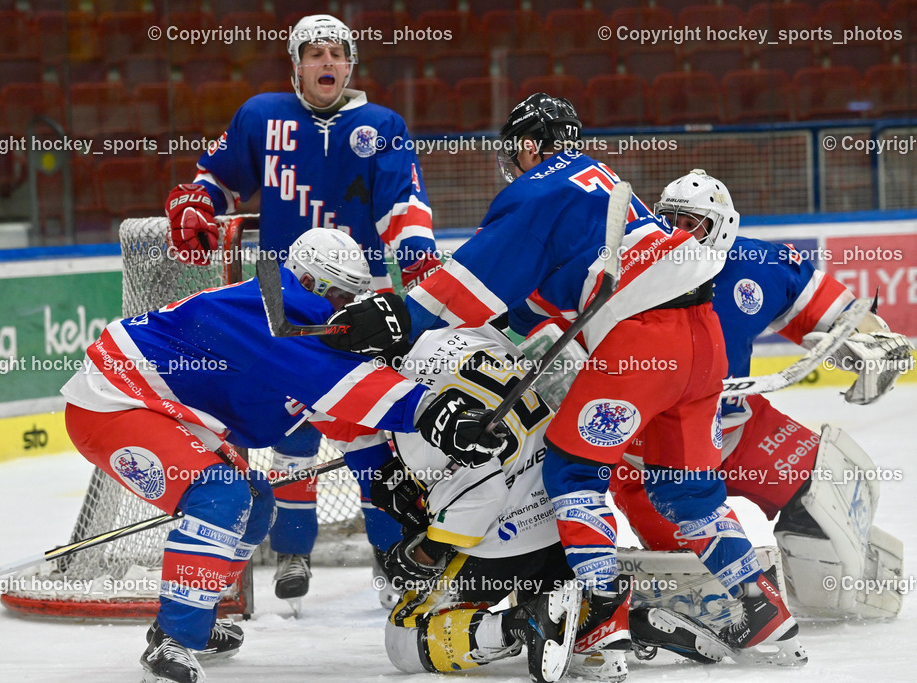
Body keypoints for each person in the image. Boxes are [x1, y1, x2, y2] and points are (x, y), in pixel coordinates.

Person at [331, 93, 807, 665]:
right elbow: (541, 302)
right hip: (703, 338)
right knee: (687, 490)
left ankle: (600, 615)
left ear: (531, 144)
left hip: (643, 339)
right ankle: (764, 611)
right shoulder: (605, 182)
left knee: (574, 472)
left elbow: (475, 276)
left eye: (516, 150)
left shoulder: (543, 186)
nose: (513, 163)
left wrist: (399, 314)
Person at [59, 229, 500, 683]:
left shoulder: (302, 323)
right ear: (310, 283)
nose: (348, 308)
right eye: (342, 295)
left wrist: (383, 478)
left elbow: (342, 416)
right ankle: (174, 641)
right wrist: (432, 413)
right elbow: (343, 385)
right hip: (113, 403)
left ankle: (191, 619)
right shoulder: (272, 316)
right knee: (222, 496)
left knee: (256, 501)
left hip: (167, 412)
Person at [164, 13, 443, 607]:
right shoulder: (261, 115)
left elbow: (404, 202)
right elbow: (216, 178)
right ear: (295, 65)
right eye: (314, 53)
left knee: (368, 427)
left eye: (336, 54)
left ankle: (392, 557)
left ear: (351, 64)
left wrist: (416, 255)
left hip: (356, 295)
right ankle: (293, 547)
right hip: (280, 290)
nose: (326, 63)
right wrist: (194, 201)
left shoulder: (381, 125)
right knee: (291, 423)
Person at [608, 169, 913, 620]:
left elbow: (836, 316)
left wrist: (874, 344)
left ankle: (828, 602)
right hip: (649, 454)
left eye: (690, 224)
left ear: (722, 227)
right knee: (695, 581)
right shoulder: (625, 268)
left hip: (737, 428)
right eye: (668, 221)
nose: (677, 235)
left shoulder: (758, 266)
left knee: (828, 495)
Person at [371, 325, 733, 683]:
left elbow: (481, 494)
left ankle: (517, 625)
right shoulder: (468, 332)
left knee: (403, 638)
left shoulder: (418, 417)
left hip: (507, 543)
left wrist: (426, 551)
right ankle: (620, 624)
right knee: (556, 604)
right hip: (567, 521)